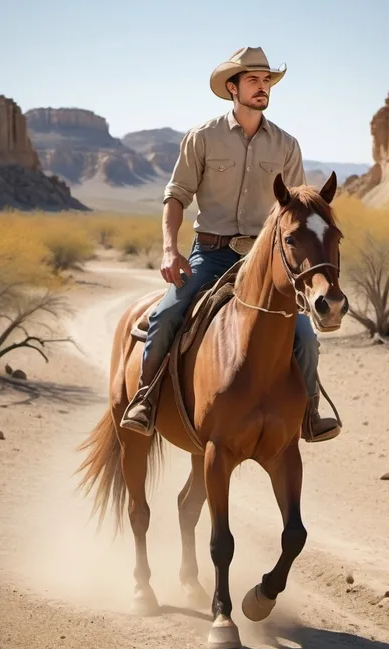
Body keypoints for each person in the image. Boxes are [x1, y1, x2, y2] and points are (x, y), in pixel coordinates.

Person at [120, 46, 340, 443]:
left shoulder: (286, 145)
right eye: (253, 80)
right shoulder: (203, 137)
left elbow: (296, 209)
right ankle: (145, 399)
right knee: (167, 315)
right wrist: (171, 250)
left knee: (304, 335)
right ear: (232, 87)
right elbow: (177, 196)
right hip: (211, 252)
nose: (262, 87)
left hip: (264, 259)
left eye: (267, 80)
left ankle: (310, 411)